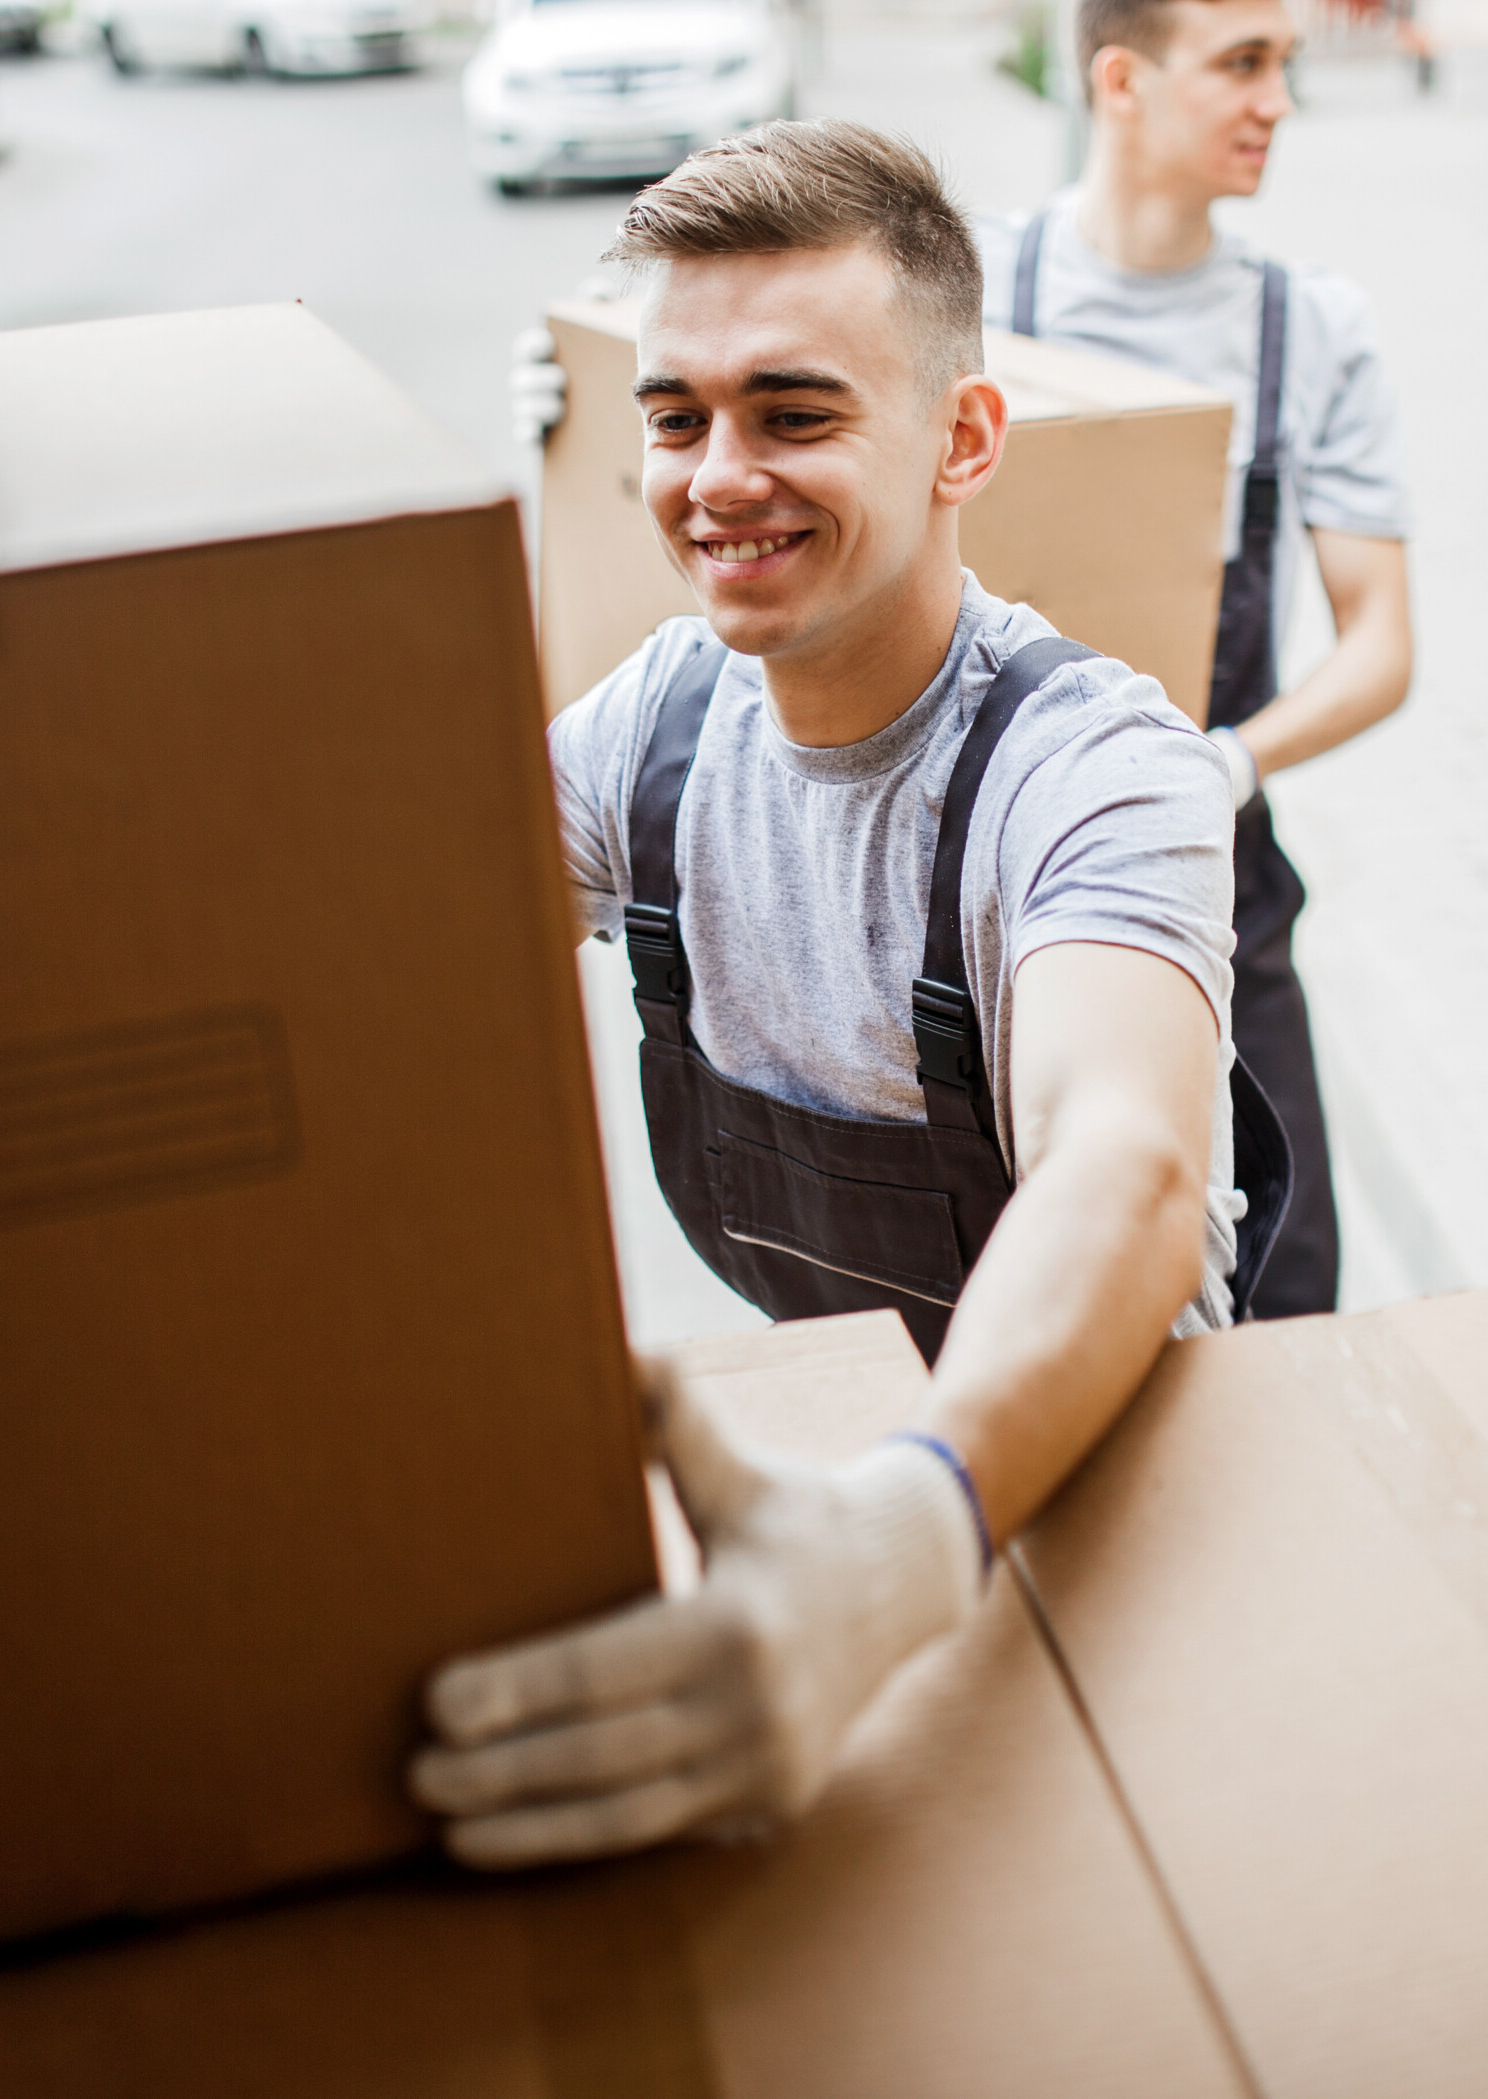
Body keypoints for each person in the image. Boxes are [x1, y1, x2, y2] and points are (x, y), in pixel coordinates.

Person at [411, 119, 1288, 1871]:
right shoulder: (653, 732)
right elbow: (397, 972)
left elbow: (1124, 1166)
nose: (716, 475)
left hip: (1108, 1500)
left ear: (964, 439)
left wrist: (899, 1543)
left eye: (793, 414)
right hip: (833, 1459)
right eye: (675, 420)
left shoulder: (1098, 768)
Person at [977, 0, 1413, 1319]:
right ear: (1119, 78)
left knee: (1287, 1297)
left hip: (1223, 884)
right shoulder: (975, 295)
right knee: (1015, 1293)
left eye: (1280, 64)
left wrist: (1223, 763)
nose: (1277, 99)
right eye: (1241, 65)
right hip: (985, 887)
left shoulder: (1310, 330)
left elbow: (1381, 646)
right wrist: (595, 400)